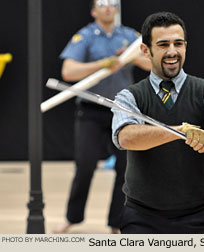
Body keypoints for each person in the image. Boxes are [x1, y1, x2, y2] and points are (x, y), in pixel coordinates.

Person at [111, 11, 204, 234]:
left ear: (185, 46)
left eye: (178, 43)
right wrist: (178, 131)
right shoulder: (129, 96)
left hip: (199, 214)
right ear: (145, 50)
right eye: (163, 44)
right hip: (141, 217)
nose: (172, 52)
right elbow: (126, 137)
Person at [52, 0, 151, 234]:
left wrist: (129, 58)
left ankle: (117, 222)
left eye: (112, 4)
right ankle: (72, 217)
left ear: (116, 10)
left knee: (126, 169)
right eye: (102, 4)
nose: (108, 7)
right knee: (85, 165)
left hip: (123, 111)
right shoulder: (85, 36)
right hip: (91, 110)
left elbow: (152, 63)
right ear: (94, 11)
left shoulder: (130, 36)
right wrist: (100, 65)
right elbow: (68, 71)